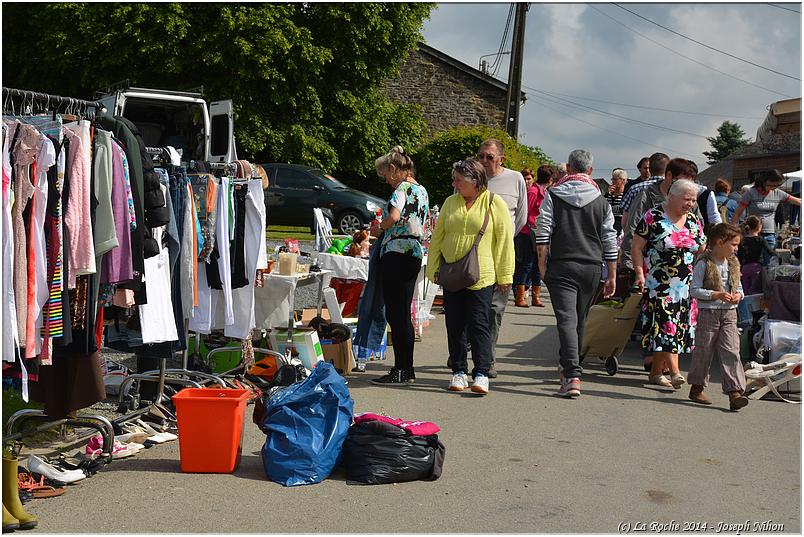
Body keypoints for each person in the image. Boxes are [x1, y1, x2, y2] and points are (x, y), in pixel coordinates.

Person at [533, 149, 618, 398]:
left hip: (562, 264)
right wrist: (611, 273)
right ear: (590, 171)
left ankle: (571, 374)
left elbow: (543, 229)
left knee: (566, 320)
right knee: (580, 319)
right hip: (591, 267)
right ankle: (569, 366)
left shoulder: (554, 194)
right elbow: (609, 238)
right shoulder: (601, 201)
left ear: (568, 168)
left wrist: (541, 264)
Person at [426, 158, 514, 395]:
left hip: (482, 274)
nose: (454, 184)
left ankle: (482, 373)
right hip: (453, 274)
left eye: (459, 180)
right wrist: (432, 268)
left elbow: (504, 242)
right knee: (454, 324)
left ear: (475, 181)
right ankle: (458, 370)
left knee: (478, 324)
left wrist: (505, 275)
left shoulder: (494, 203)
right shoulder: (450, 202)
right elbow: (438, 237)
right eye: (454, 179)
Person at [632, 179, 707, 389]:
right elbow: (636, 247)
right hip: (659, 284)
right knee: (667, 325)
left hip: (685, 286)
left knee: (674, 328)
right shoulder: (653, 217)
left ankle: (656, 372)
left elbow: (702, 249)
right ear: (671, 196)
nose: (690, 204)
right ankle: (675, 371)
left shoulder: (693, 220)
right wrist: (639, 273)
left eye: (693, 200)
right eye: (686, 199)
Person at [370, 146, 430, 385]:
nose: (386, 180)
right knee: (404, 311)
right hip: (414, 252)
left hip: (396, 252)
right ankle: (407, 368)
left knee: (396, 314)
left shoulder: (401, 189)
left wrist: (379, 228)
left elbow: (394, 216)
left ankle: (401, 369)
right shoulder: (422, 190)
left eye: (385, 174)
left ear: (394, 169)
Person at [476, 139, 527, 378]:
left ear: (501, 159)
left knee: (495, 309)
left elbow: (521, 217)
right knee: (469, 307)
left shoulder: (515, 179)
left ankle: (488, 359)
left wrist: (504, 239)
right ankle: (462, 349)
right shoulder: (471, 177)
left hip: (502, 253)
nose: (484, 161)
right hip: (472, 254)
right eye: (481, 156)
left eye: (489, 157)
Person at [688, 223, 749, 411]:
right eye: (734, 244)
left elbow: (739, 287)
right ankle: (697, 388)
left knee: (731, 350)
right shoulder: (703, 263)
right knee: (704, 351)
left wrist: (738, 295)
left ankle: (734, 393)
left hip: (729, 313)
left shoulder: (733, 263)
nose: (736, 248)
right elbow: (694, 290)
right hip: (709, 312)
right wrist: (716, 295)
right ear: (720, 242)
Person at [731, 169, 801, 265]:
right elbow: (737, 213)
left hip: (770, 234)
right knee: (752, 263)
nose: (774, 188)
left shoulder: (778, 193)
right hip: (752, 235)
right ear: (764, 181)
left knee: (769, 263)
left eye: (777, 185)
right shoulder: (750, 193)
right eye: (772, 185)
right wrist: (734, 231)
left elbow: (798, 201)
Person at [513, 166, 549, 307]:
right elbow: (524, 212)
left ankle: (536, 297)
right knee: (526, 265)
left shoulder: (543, 192)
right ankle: (520, 297)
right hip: (527, 233)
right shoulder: (534, 192)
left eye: (529, 178)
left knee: (537, 266)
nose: (527, 181)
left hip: (537, 233)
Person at [619, 152, 669, 249]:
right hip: (667, 242)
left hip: (639, 242)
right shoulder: (675, 190)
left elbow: (625, 222)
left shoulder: (634, 189)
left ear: (650, 169)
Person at [738, 216, 774, 295]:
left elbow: (739, 255)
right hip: (757, 268)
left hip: (745, 268)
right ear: (759, 227)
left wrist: (739, 268)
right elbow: (770, 251)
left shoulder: (742, 240)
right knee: (756, 291)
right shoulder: (761, 239)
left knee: (745, 291)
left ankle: (746, 302)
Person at [605, 168, 627, 235]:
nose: (613, 181)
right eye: (612, 179)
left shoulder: (626, 193)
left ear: (623, 180)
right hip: (609, 220)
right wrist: (607, 194)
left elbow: (623, 209)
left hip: (620, 221)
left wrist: (610, 208)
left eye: (615, 179)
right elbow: (603, 206)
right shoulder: (610, 192)